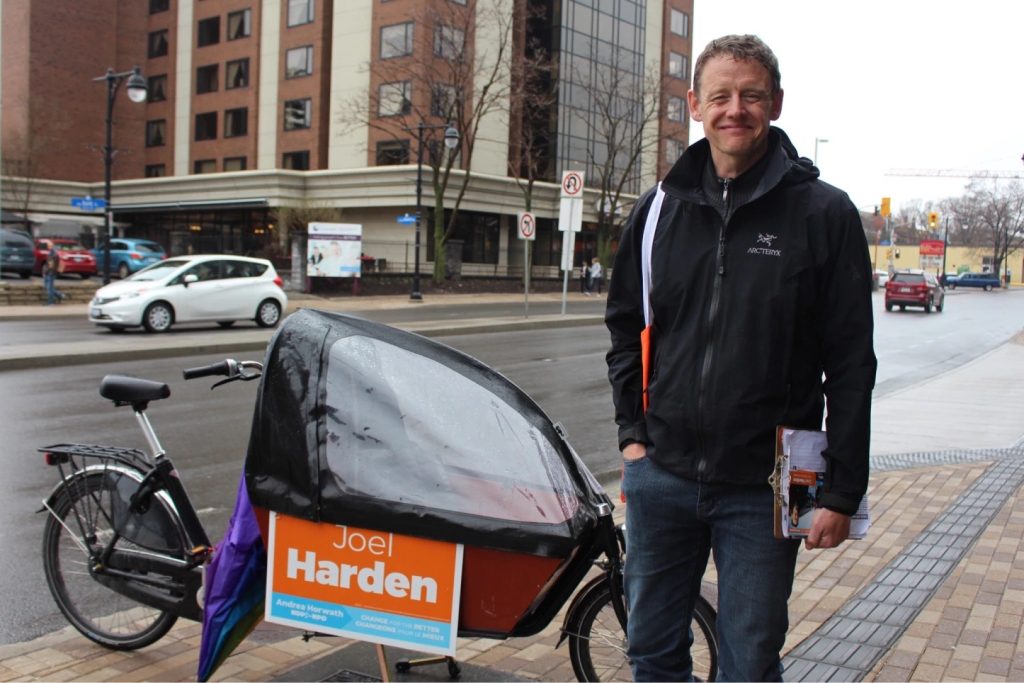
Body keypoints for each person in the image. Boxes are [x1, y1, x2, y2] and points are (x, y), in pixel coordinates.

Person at [604, 34, 876, 681]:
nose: (736, 109)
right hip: (662, 475)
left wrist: (841, 489)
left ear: (775, 104)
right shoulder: (660, 209)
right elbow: (625, 326)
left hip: (766, 487)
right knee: (652, 653)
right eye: (720, 95)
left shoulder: (824, 213)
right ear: (695, 104)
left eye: (751, 95)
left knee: (749, 663)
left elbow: (851, 363)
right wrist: (631, 438)